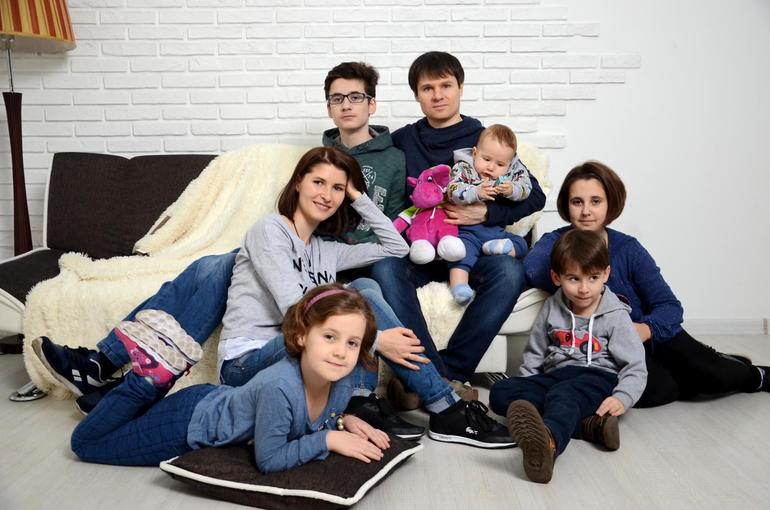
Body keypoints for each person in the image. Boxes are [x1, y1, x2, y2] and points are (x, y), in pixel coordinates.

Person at [37, 146, 514, 448]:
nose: (327, 194)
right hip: (247, 361)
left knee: (365, 287)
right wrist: (373, 340)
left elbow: (396, 248)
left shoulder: (326, 249)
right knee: (358, 302)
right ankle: (445, 407)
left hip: (294, 353)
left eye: (336, 188)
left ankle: (385, 404)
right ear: (298, 184)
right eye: (318, 182)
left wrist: (357, 195)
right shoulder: (269, 231)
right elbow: (295, 308)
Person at [370, 51, 546, 402]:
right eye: (427, 88)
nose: (438, 95)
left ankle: (449, 373)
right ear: (416, 95)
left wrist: (486, 215)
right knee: (384, 267)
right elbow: (370, 155)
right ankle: (431, 376)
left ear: (460, 88)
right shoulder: (405, 140)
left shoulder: (484, 138)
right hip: (421, 249)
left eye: (446, 85)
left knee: (509, 272)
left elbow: (535, 195)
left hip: (471, 250)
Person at [523, 161, 769, 407]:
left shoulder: (628, 249)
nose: (586, 211)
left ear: (610, 204)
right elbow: (533, 269)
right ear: (567, 206)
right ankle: (702, 367)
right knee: (661, 392)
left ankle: (753, 374)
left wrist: (642, 329)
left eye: (596, 201)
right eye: (577, 202)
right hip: (604, 348)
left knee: (711, 374)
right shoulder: (557, 244)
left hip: (648, 335)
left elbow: (670, 307)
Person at [70, 284, 392, 471]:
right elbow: (269, 459)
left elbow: (310, 417)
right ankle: (145, 381)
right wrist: (328, 439)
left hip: (209, 400)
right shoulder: (279, 386)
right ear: (302, 336)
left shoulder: (342, 380)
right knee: (85, 443)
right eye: (330, 337)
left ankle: (160, 374)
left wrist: (343, 420)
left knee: (128, 422)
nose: (341, 352)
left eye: (352, 343)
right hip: (184, 426)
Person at [488, 229, 647, 483]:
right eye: (574, 279)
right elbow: (535, 352)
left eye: (593, 278)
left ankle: (548, 443)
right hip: (556, 376)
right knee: (500, 392)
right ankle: (590, 426)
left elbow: (635, 365)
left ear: (606, 274)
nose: (584, 288)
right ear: (556, 277)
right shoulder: (552, 306)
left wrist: (622, 397)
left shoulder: (615, 315)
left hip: (597, 378)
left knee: (564, 396)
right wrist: (528, 385)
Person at [321, 61, 406, 247]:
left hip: (376, 252)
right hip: (326, 252)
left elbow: (395, 220)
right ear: (329, 109)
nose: (346, 106)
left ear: (371, 105)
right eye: (337, 99)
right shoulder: (320, 158)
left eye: (355, 97)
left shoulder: (395, 159)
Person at [446, 124, 531, 305]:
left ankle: (499, 248)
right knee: (462, 256)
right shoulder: (464, 168)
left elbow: (526, 188)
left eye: (500, 164)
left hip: (496, 232)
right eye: (486, 159)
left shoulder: (511, 173)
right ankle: (459, 288)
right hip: (468, 233)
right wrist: (476, 192)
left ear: (509, 164)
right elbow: (452, 190)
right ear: (475, 153)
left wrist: (512, 190)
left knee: (522, 244)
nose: (491, 167)